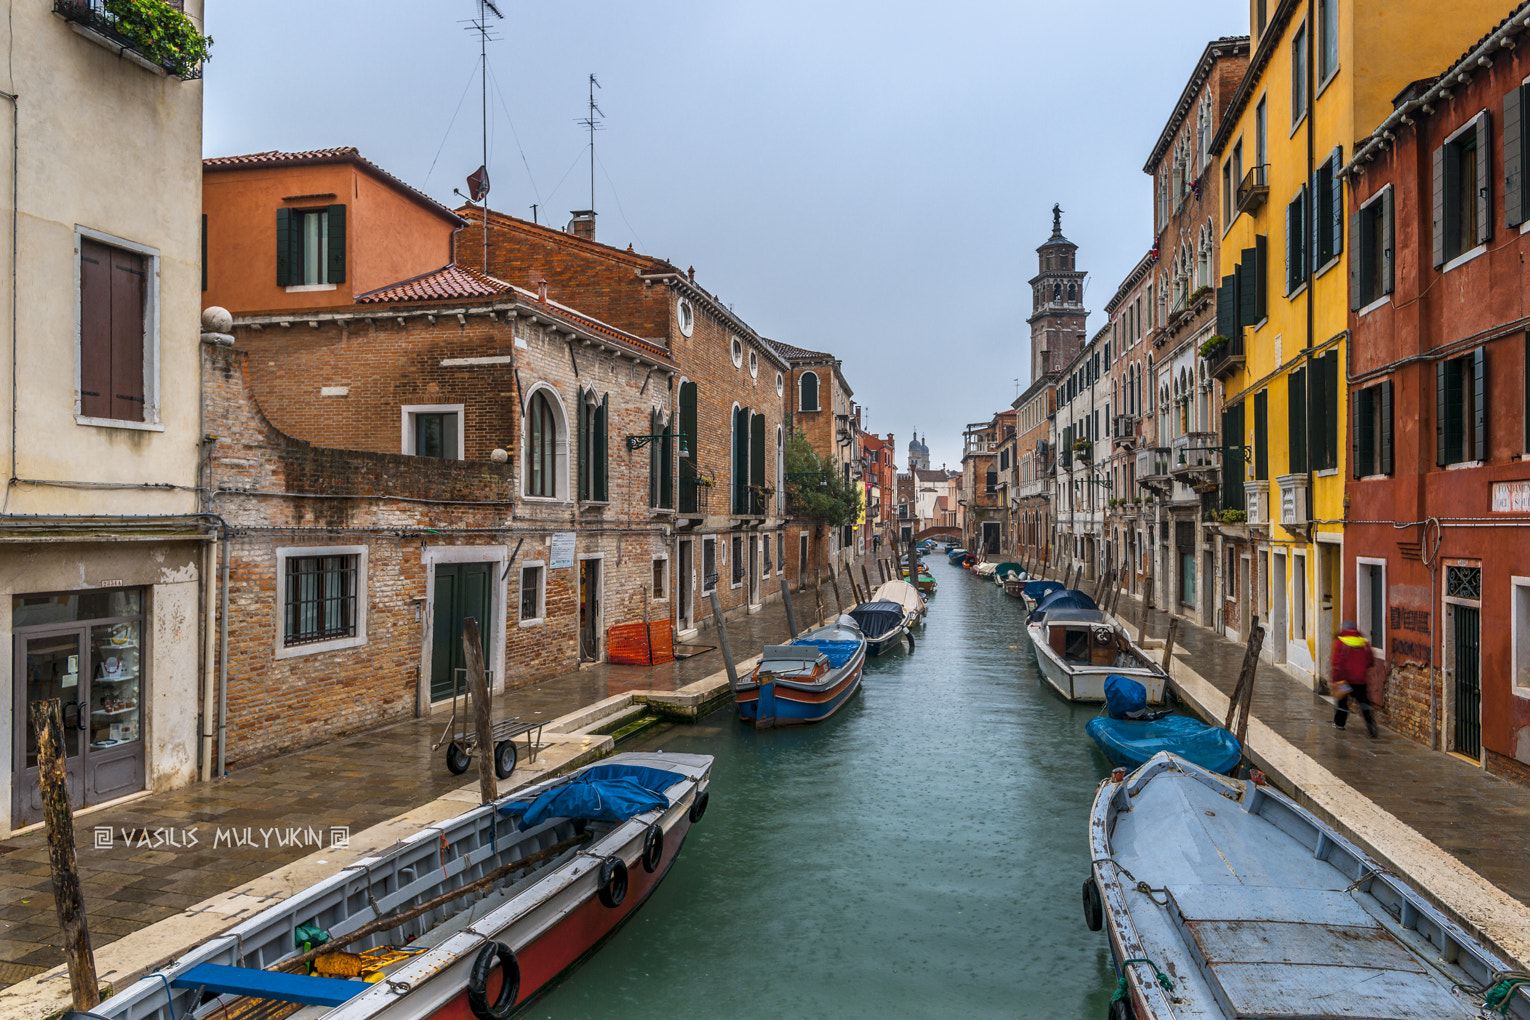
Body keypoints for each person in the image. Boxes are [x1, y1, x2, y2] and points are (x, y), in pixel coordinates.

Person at [1331, 621, 1379, 738]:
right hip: (1360, 679)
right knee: (1363, 702)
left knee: (1342, 702)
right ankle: (1370, 725)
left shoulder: (1341, 643)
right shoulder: (1364, 643)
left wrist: (1335, 679)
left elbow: (1337, 663)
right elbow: (1370, 660)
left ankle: (1339, 723)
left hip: (1345, 680)